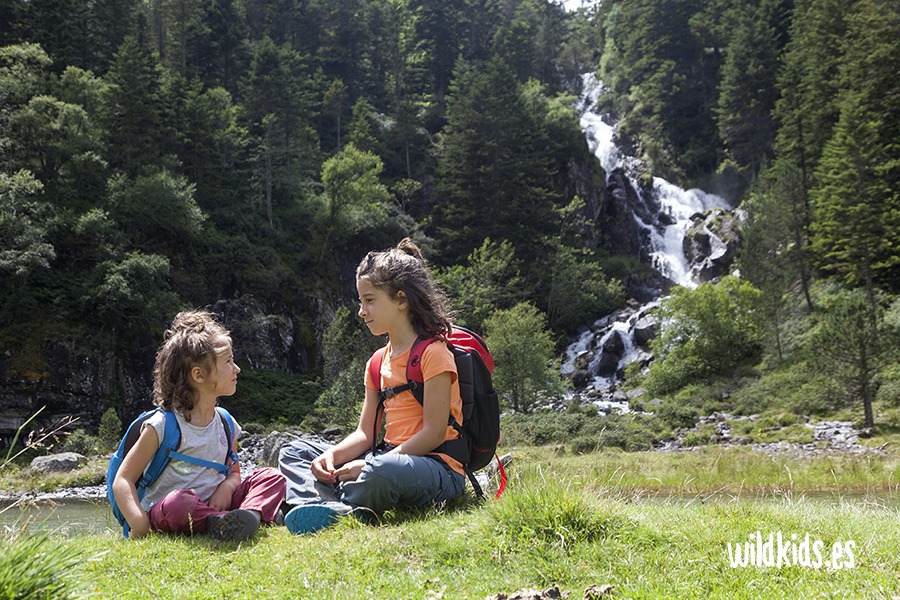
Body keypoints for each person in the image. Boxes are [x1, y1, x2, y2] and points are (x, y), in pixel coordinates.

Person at [278, 238, 468, 534]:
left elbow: (433, 434)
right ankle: (328, 505)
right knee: (295, 451)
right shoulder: (377, 362)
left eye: (369, 300)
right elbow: (365, 434)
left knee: (381, 471)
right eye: (360, 301)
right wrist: (331, 457)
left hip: (436, 467)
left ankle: (332, 504)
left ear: (401, 300)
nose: (361, 311)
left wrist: (368, 467)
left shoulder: (434, 354)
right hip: (386, 458)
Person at [112, 310, 286, 541]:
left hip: (218, 504)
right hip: (172, 511)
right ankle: (238, 519)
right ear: (199, 375)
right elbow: (122, 480)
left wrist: (226, 488)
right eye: (228, 362)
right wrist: (139, 522)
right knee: (178, 502)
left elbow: (234, 473)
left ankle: (246, 517)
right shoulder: (162, 426)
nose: (237, 369)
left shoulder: (225, 423)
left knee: (272, 476)